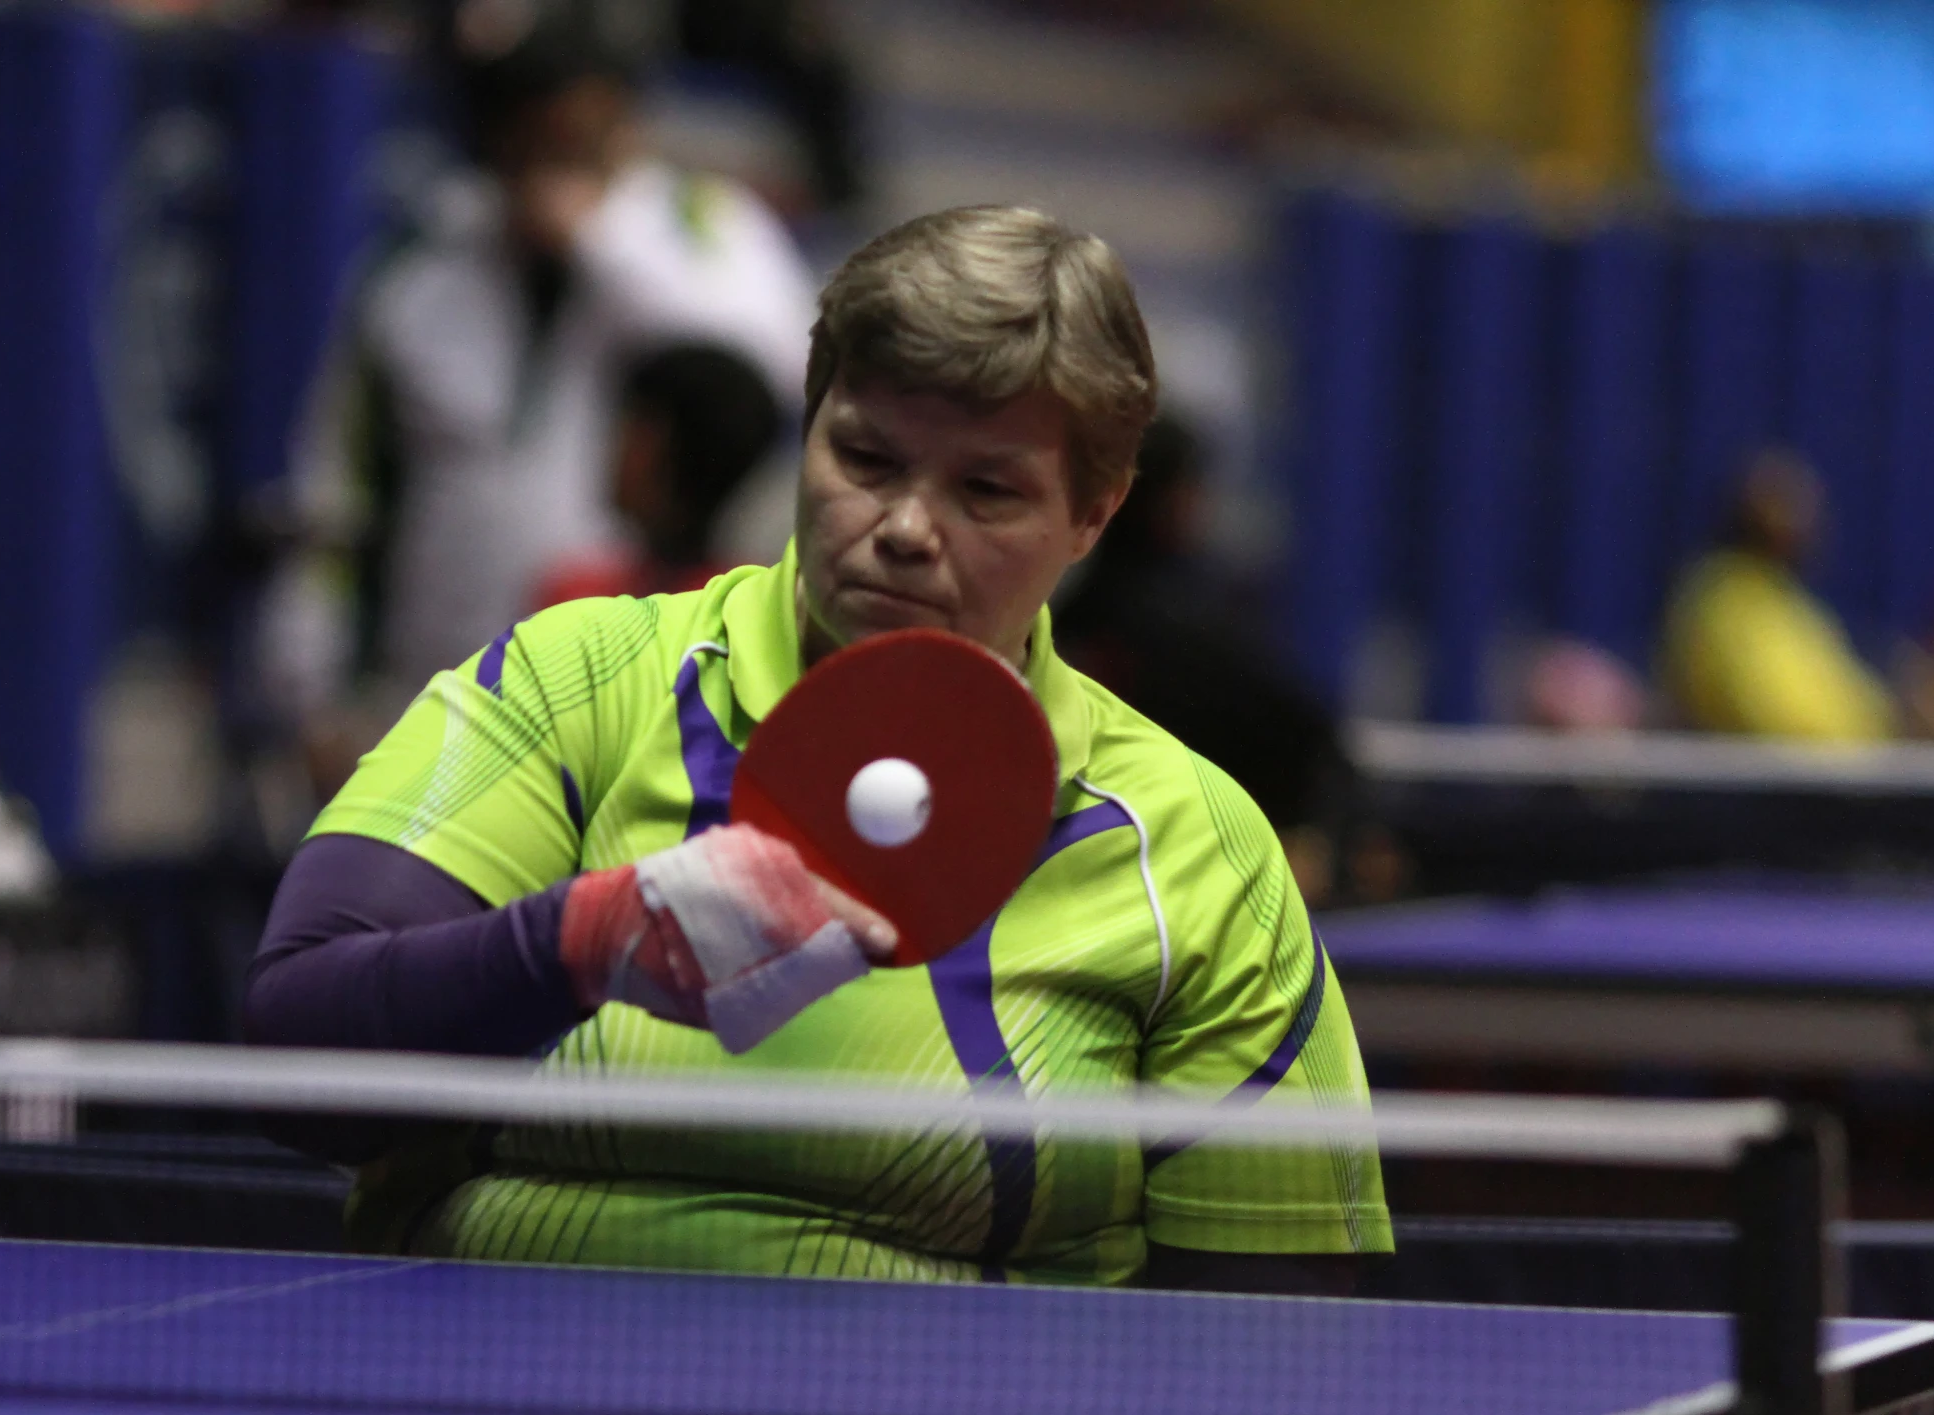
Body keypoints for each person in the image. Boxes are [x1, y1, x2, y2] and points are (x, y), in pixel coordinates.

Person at [247, 206, 1391, 1293]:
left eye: (986, 490)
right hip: (482, 1404)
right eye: (866, 459)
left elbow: (1270, 1339)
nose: (901, 528)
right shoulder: (573, 681)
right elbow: (301, 1055)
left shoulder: (1196, 854)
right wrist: (578, 941)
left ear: (1092, 512)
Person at [285, 3, 814, 724]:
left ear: (626, 124)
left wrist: (598, 245)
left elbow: (769, 375)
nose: (549, 166)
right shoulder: (424, 262)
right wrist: (310, 685)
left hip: (633, 694)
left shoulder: (701, 225)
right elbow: (339, 483)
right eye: (528, 140)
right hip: (433, 687)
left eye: (580, 140)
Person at [1054, 412, 1352, 904]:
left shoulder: (1074, 613)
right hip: (1181, 872)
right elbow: (1315, 742)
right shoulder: (1193, 622)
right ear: (1172, 500)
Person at [1661, 450, 1896, 744]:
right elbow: (1779, 716)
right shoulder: (1725, 601)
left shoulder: (1785, 599)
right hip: (1778, 784)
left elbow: (1850, 697)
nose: (1808, 521)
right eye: (1787, 504)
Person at [531, 341, 783, 608]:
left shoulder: (577, 601)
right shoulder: (754, 606)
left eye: (635, 429)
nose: (615, 447)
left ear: (675, 456)